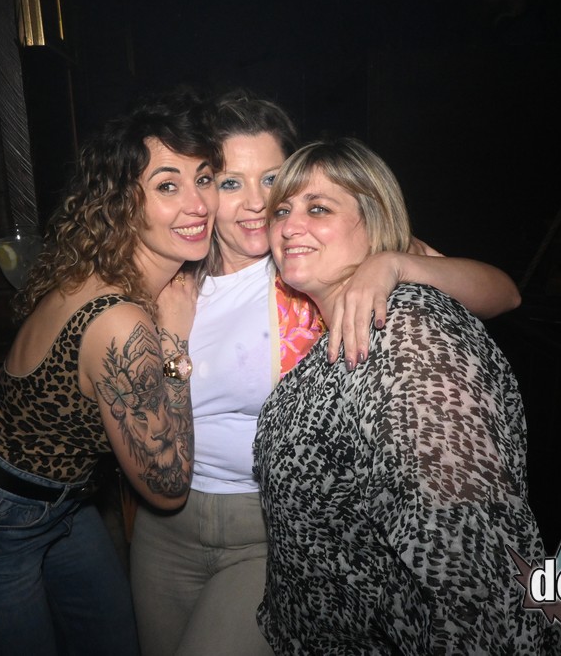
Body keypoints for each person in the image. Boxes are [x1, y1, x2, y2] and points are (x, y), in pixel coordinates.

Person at [128, 90, 525, 656]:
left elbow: (503, 293)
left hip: (266, 527)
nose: (257, 203)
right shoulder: (172, 273)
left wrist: (393, 263)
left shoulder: (314, 262)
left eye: (271, 180)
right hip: (166, 524)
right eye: (231, 182)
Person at [0, 87, 222, 655]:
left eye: (205, 178)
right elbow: (168, 488)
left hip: (60, 503)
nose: (197, 204)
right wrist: (174, 342)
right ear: (121, 200)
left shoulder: (101, 260)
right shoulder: (122, 319)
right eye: (167, 185)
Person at [253, 136, 561, 654]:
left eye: (318, 208)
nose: (289, 226)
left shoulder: (407, 334)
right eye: (282, 211)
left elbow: (472, 569)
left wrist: (395, 262)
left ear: (375, 223)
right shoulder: (353, 327)